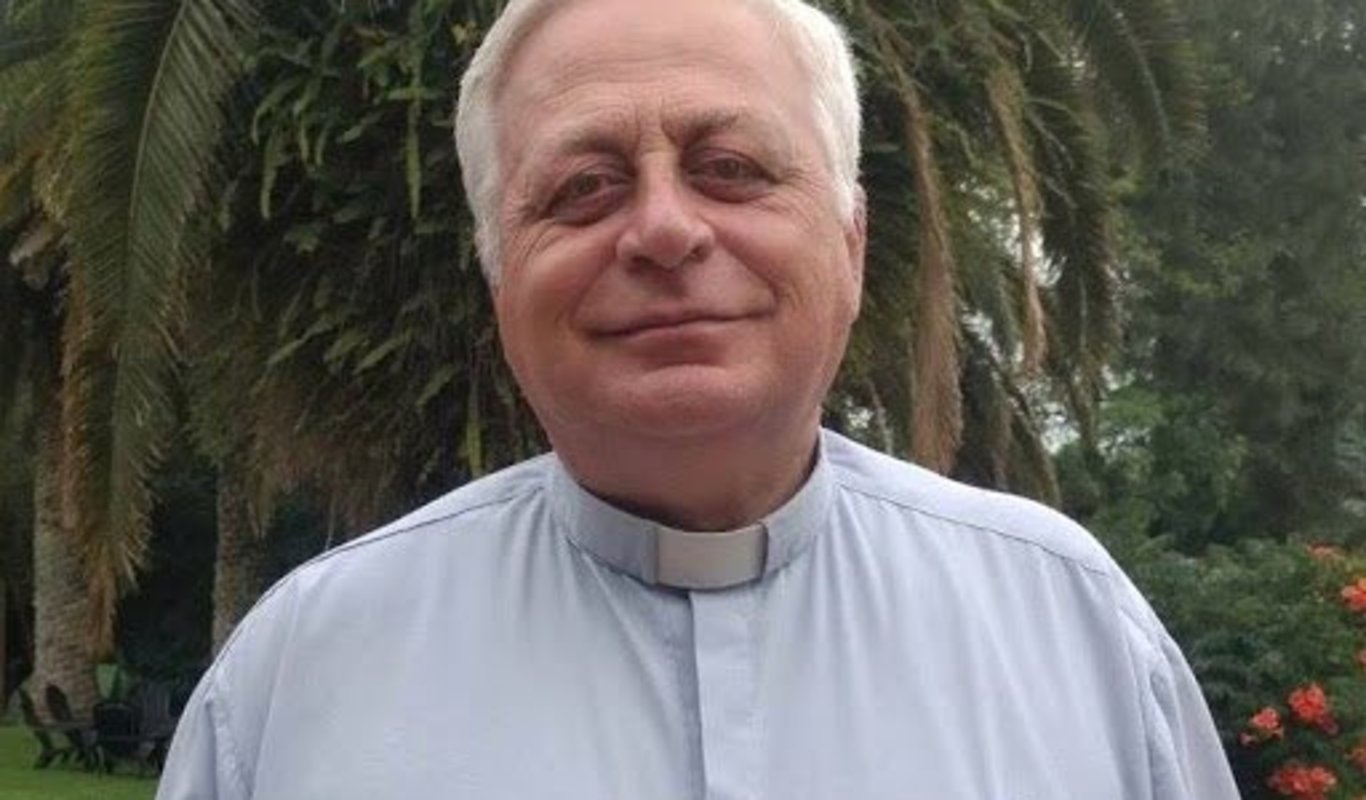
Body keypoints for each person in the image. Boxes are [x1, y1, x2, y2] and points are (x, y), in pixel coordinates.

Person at [157, 0, 1240, 797]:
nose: (665, 230)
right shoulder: (301, 680)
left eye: (731, 168)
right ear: (500, 279)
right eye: (584, 187)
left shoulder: (1072, 629)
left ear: (851, 243)